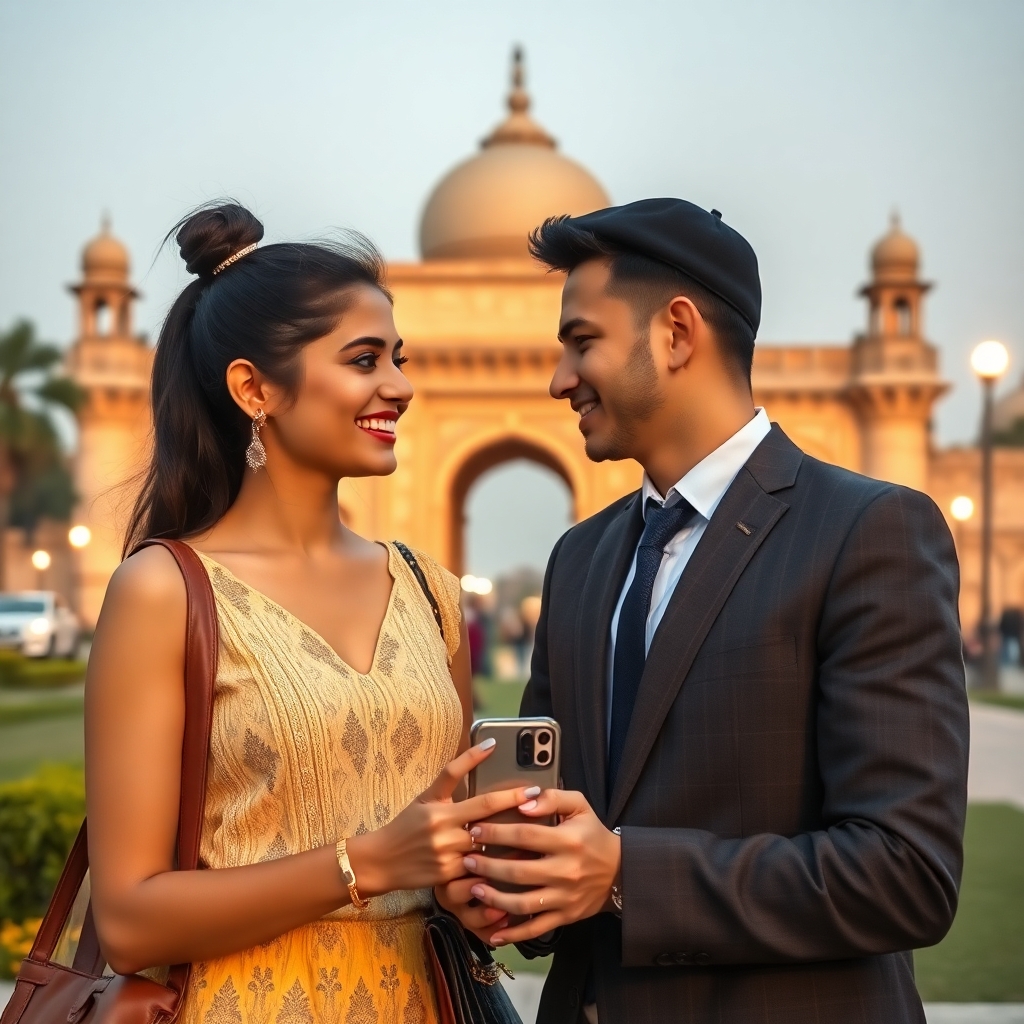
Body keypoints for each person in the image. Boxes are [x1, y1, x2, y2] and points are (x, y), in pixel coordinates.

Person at [438, 199, 970, 1023]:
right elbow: (564, 832)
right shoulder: (581, 561)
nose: (558, 380)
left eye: (583, 343)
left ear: (677, 333)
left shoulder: (864, 533)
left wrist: (621, 875)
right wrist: (508, 885)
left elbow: (906, 874)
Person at [84, 203, 524, 1024]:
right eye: (364, 360)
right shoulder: (168, 589)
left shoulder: (429, 590)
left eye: (400, 357)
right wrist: (368, 863)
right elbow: (129, 921)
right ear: (254, 388)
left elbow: (441, 846)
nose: (399, 385)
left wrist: (481, 883)